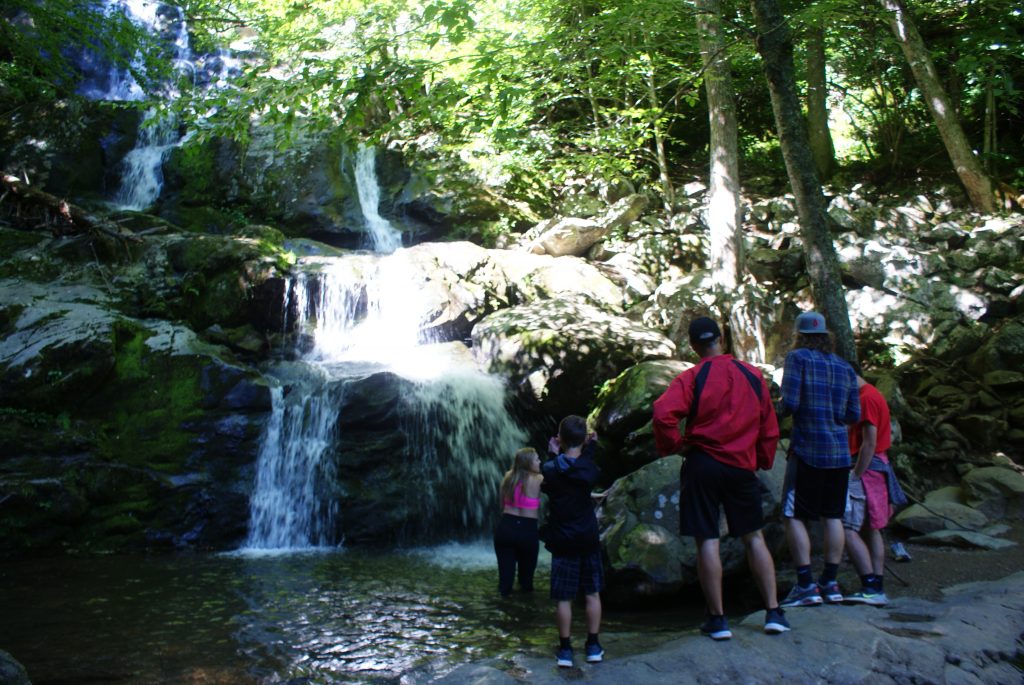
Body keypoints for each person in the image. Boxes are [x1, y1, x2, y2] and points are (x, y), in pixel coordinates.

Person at [652, 316, 789, 640]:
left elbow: (662, 413)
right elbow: (769, 425)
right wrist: (763, 460)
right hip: (741, 465)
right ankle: (773, 611)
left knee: (707, 540)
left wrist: (674, 445)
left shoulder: (692, 377)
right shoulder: (752, 375)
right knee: (753, 537)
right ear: (721, 340)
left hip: (703, 464)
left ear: (693, 346)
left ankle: (718, 619)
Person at [778, 311, 860, 608]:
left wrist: (771, 415)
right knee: (833, 516)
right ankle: (830, 581)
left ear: (800, 335)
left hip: (808, 450)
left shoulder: (797, 359)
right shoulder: (845, 367)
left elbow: (790, 403)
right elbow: (854, 415)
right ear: (826, 335)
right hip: (839, 454)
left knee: (793, 515)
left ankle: (805, 585)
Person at [540, 415, 604, 667]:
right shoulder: (590, 469)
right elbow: (582, 466)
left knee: (563, 598)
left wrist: (553, 454)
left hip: (563, 539)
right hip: (587, 537)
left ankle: (565, 649)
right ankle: (593, 645)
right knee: (592, 593)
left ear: (560, 439)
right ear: (583, 439)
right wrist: (592, 446)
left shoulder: (550, 469)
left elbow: (556, 472)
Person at [843, 363, 907, 606]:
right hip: (875, 466)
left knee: (848, 529)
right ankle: (875, 585)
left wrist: (855, 475)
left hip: (867, 468)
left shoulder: (867, 398)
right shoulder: (869, 394)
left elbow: (869, 443)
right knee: (871, 528)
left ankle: (871, 585)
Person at [493, 447, 543, 597]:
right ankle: (524, 615)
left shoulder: (508, 477)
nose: (540, 462)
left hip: (506, 527)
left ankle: (502, 612)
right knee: (526, 582)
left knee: (504, 582)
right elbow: (563, 490)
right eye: (537, 459)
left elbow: (501, 504)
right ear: (528, 463)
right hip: (527, 531)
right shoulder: (539, 479)